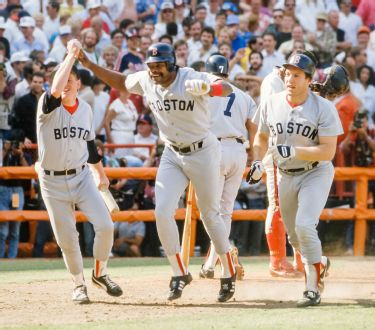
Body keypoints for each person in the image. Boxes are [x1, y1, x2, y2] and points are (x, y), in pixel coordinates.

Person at [78, 42, 237, 302]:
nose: (155, 71)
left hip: (203, 151)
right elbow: (122, 82)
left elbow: (227, 88)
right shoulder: (146, 79)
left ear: (172, 64)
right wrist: (90, 65)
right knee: (161, 211)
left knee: (210, 214)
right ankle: (179, 273)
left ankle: (228, 271)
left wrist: (210, 87)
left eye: (160, 66)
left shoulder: (190, 77)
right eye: (151, 66)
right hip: (172, 152)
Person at [247, 53, 343, 307]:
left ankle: (312, 287)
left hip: (316, 171)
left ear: (309, 79)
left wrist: (295, 150)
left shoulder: (323, 107)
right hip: (285, 174)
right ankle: (319, 262)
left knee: (304, 224)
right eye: (288, 73)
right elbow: (261, 137)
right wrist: (258, 160)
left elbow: (328, 151)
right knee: (294, 237)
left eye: (297, 74)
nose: (290, 78)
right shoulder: (271, 102)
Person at [36, 40, 122, 304]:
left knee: (106, 225)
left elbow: (89, 145)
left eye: (71, 80)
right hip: (52, 181)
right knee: (67, 239)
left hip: (82, 175)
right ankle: (78, 284)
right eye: (64, 80)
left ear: (79, 84)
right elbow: (55, 88)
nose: (67, 84)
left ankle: (100, 273)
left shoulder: (85, 109)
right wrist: (71, 56)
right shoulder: (47, 105)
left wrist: (100, 173)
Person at [199, 54, 257, 281]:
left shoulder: (205, 89)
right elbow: (254, 125)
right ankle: (213, 262)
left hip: (213, 149)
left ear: (207, 70)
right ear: (226, 73)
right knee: (225, 211)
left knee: (210, 212)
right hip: (238, 150)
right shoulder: (243, 95)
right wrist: (253, 152)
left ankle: (220, 261)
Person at [0, 140, 28, 258]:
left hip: (17, 190)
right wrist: (5, 150)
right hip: (3, 189)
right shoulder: (3, 153)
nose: (14, 146)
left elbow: (27, 170)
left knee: (15, 230)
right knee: (2, 230)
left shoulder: (23, 154)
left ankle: (12, 258)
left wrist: (20, 154)